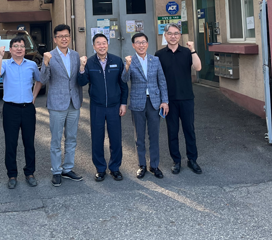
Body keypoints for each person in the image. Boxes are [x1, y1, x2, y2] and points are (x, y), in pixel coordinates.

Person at [0, 36, 42, 189]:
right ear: (10, 49)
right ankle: (12, 175)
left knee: (29, 142)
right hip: (10, 109)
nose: (19, 48)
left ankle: (30, 173)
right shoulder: (5, 64)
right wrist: (0, 56)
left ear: (25, 49)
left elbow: (39, 80)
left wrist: (34, 96)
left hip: (28, 109)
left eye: (21, 46)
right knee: (11, 143)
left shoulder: (32, 65)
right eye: (16, 46)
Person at [78, 33, 128, 182]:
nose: (101, 46)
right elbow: (81, 82)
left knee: (116, 138)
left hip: (114, 106)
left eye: (104, 43)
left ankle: (115, 168)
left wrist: (123, 103)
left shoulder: (117, 61)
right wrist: (82, 67)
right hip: (97, 106)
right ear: (94, 46)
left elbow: (123, 84)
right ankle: (100, 169)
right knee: (97, 138)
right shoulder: (89, 62)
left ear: (108, 44)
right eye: (98, 43)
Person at [155, 23, 203, 175]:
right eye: (170, 33)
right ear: (165, 35)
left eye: (176, 33)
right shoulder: (159, 55)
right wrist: (162, 100)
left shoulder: (187, 52)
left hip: (186, 98)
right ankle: (176, 161)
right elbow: (157, 77)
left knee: (189, 130)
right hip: (169, 100)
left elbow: (198, 67)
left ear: (180, 36)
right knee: (172, 131)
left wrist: (193, 49)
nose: (173, 36)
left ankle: (192, 159)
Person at [39, 24, 83, 187]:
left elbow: (78, 78)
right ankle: (56, 171)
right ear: (55, 39)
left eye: (66, 36)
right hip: (57, 103)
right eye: (60, 36)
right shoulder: (49, 56)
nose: (64, 39)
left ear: (70, 37)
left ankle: (68, 168)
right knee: (56, 139)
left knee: (71, 138)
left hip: (74, 102)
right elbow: (43, 80)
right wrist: (45, 63)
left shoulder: (76, 55)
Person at [122, 32, 169, 180]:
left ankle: (154, 165)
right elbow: (124, 79)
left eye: (143, 42)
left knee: (154, 135)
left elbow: (162, 81)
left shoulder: (155, 60)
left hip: (154, 102)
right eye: (138, 42)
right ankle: (141, 165)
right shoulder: (130, 61)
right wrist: (127, 66)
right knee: (139, 136)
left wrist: (165, 101)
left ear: (147, 44)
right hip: (138, 103)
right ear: (133, 45)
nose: (141, 45)